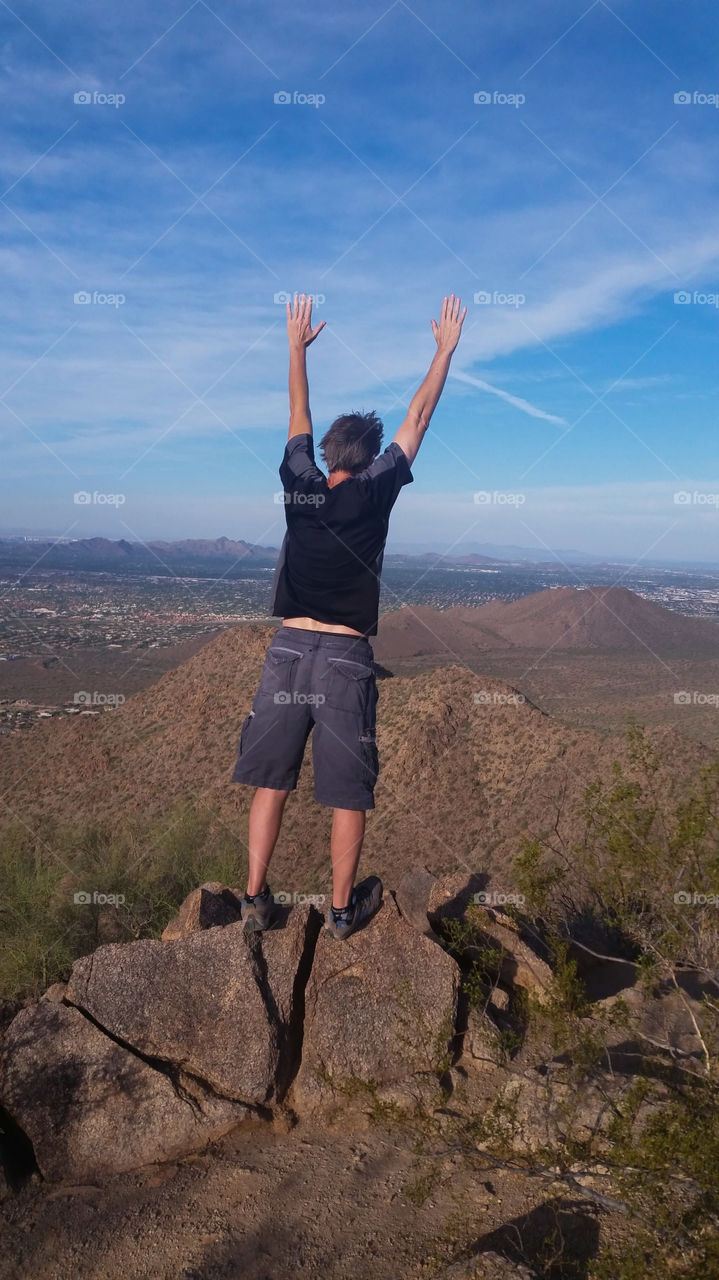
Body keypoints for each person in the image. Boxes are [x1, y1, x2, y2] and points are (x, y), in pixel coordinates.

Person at [232, 292, 466, 939]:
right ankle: (340, 912)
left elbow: (296, 411)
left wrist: (294, 348)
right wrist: (443, 351)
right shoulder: (376, 490)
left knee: (270, 784)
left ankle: (253, 901)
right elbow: (417, 418)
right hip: (342, 659)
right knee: (346, 793)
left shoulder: (300, 482)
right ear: (368, 458)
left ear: (331, 454)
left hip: (286, 650)